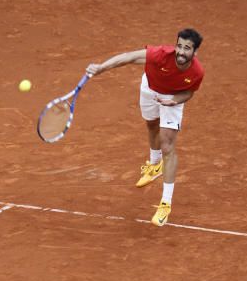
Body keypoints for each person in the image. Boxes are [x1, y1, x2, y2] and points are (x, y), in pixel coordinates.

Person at [86, 29, 205, 227]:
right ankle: (155, 164)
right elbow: (129, 58)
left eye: (187, 48)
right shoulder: (160, 55)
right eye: (180, 46)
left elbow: (189, 92)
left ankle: (165, 203)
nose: (182, 52)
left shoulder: (197, 72)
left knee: (168, 146)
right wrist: (101, 68)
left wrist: (173, 101)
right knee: (151, 126)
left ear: (195, 52)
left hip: (172, 98)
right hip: (149, 89)